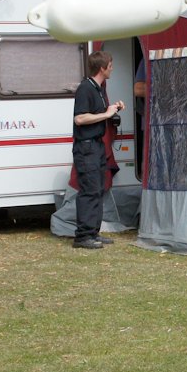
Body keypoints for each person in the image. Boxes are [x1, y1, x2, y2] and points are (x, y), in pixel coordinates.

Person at [72, 51, 125, 250]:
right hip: (86, 147)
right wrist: (106, 114)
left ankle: (93, 232)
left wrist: (113, 109)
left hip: (96, 145)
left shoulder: (98, 88)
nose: (112, 68)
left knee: (98, 189)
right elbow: (80, 119)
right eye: (110, 66)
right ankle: (82, 236)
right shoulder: (85, 88)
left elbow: (98, 114)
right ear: (102, 68)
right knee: (89, 190)